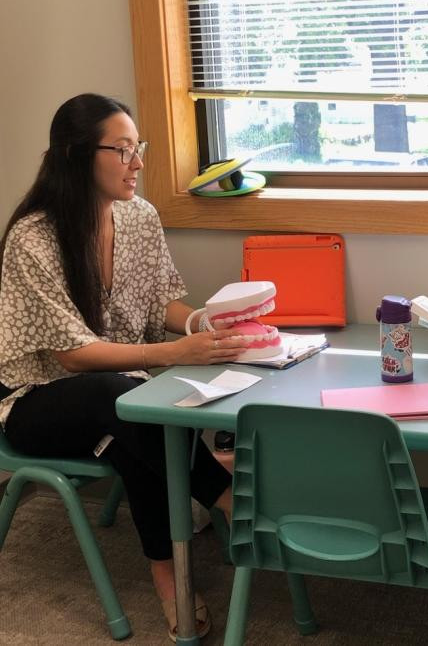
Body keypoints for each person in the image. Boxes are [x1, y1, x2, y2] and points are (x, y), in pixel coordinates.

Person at [0, 93, 250, 641]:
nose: (138, 164)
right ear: (75, 155)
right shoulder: (32, 238)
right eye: (124, 151)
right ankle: (233, 500)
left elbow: (162, 301)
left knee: (132, 429)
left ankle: (171, 579)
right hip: (38, 398)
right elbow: (71, 356)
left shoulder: (140, 217)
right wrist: (168, 355)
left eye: (140, 149)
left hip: (119, 397)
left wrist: (205, 326)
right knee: (122, 400)